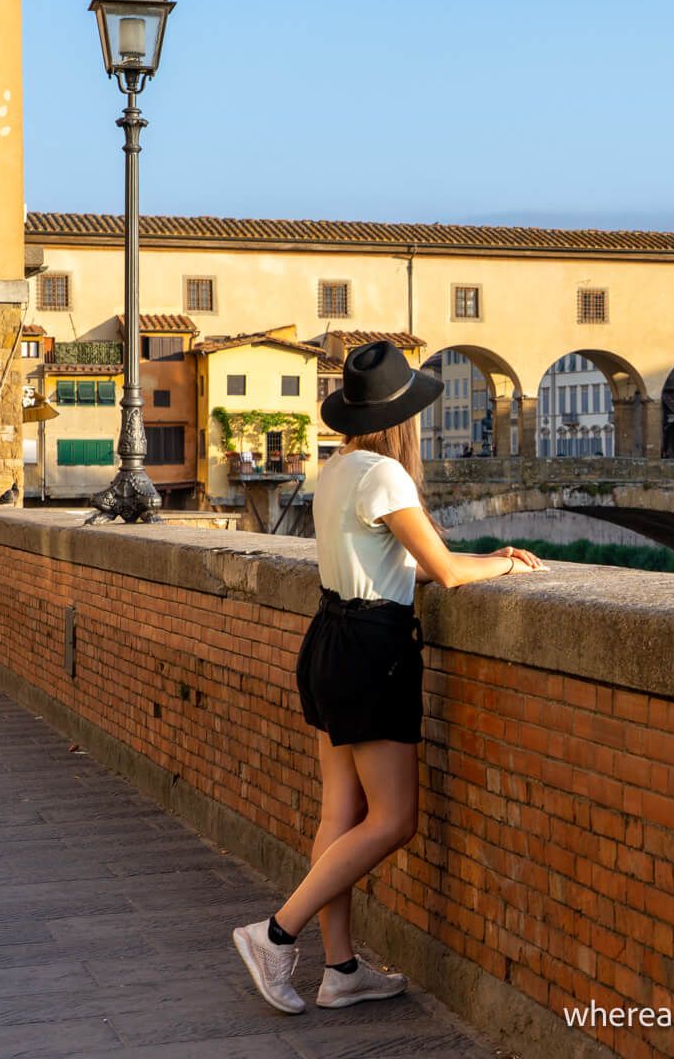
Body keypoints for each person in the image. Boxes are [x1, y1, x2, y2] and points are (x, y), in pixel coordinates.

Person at [232, 340, 544, 1014]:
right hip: (374, 652)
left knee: (341, 812)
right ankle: (275, 933)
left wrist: (481, 557)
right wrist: (509, 565)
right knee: (394, 819)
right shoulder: (385, 476)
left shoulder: (340, 468)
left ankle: (341, 968)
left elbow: (419, 562)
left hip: (329, 643)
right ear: (402, 416)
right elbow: (451, 573)